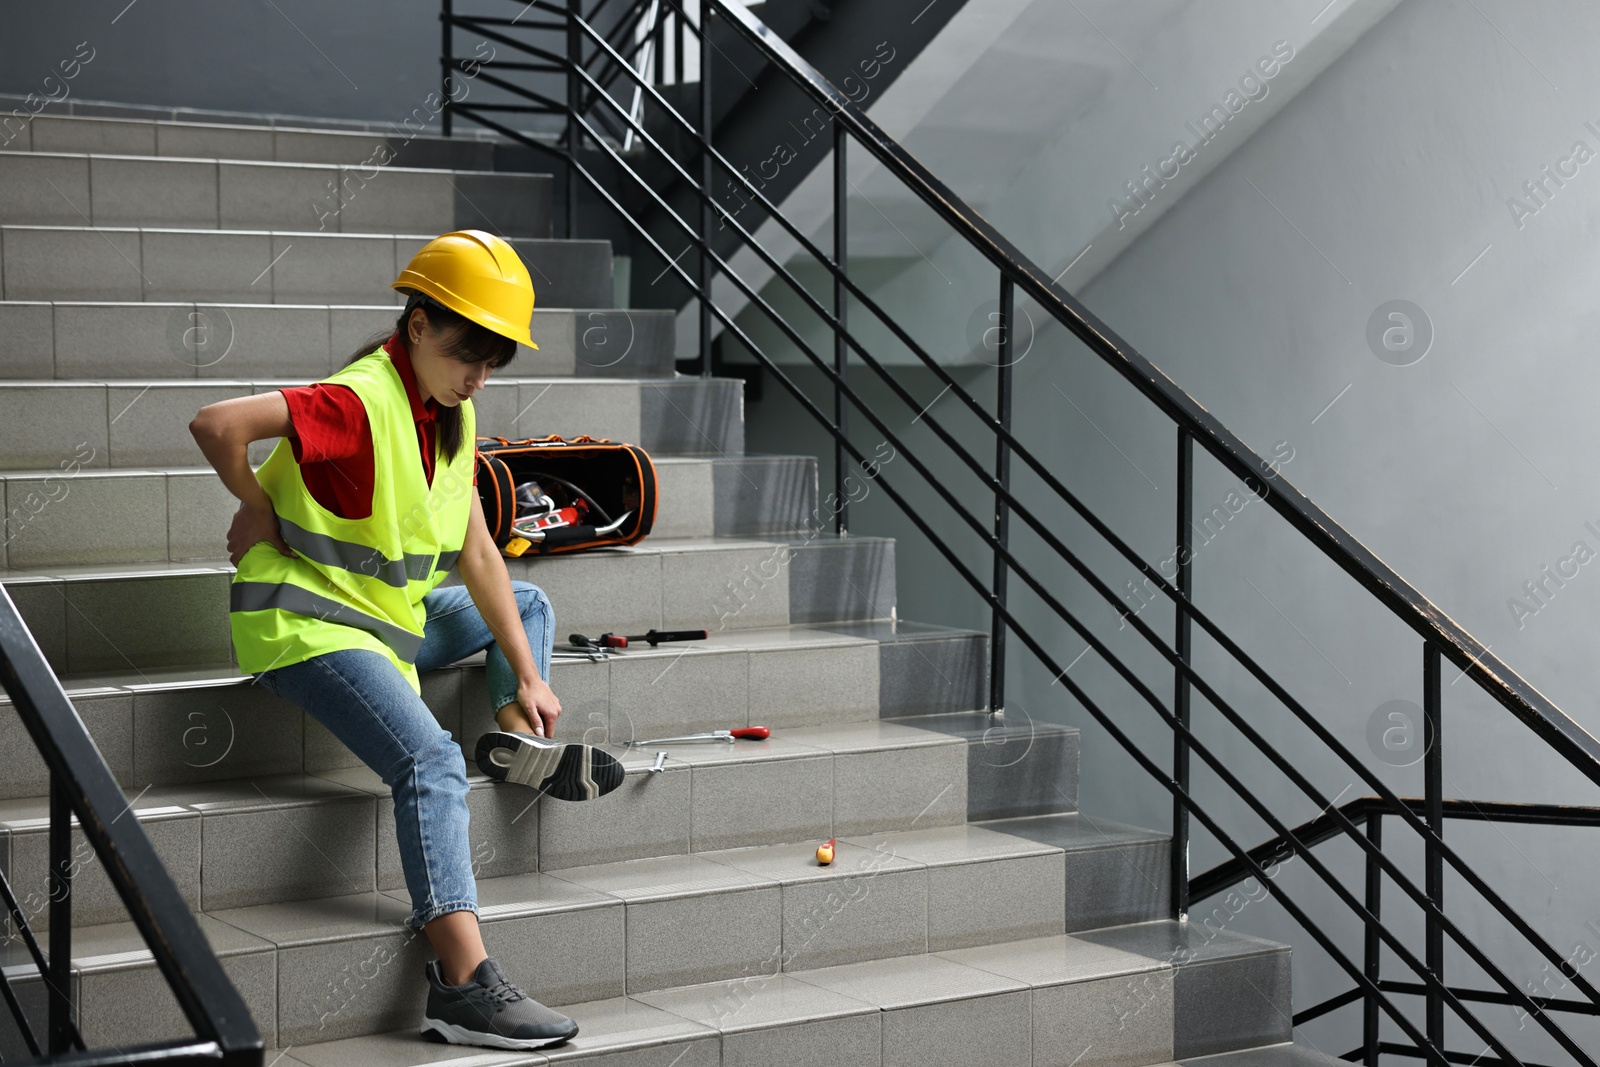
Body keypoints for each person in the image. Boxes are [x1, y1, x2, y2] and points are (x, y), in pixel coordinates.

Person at [189, 230, 622, 1051]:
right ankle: (462, 984)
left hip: (386, 625)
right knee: (429, 760)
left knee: (523, 600)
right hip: (307, 626)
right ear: (418, 325)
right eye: (470, 355)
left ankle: (509, 728)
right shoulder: (357, 401)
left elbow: (481, 555)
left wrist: (528, 678)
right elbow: (216, 422)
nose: (479, 376)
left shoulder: (448, 412)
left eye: (494, 363)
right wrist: (258, 504)